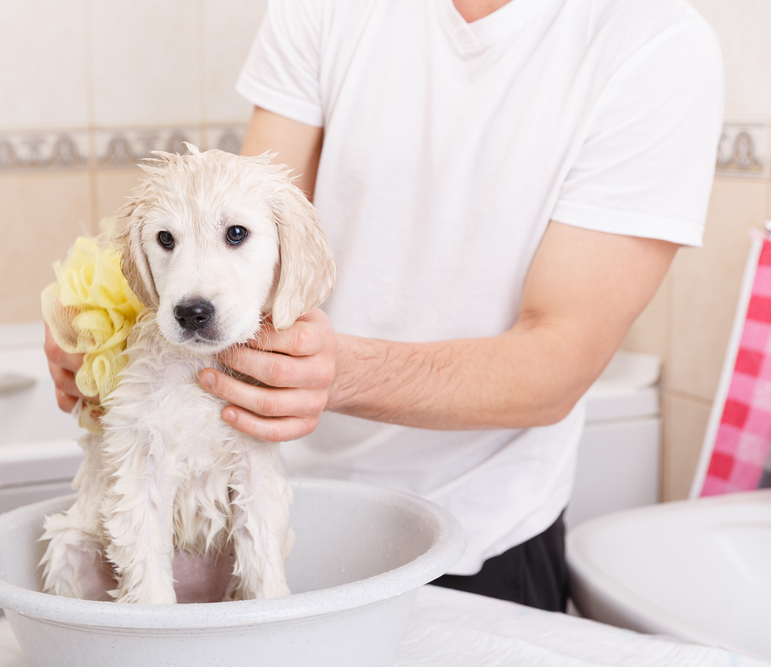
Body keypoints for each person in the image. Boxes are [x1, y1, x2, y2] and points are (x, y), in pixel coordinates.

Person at [46, 0, 723, 612]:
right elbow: (243, 240)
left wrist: (343, 373)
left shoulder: (653, 44)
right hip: (273, 505)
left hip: (477, 537)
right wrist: (106, 330)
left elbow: (559, 359)